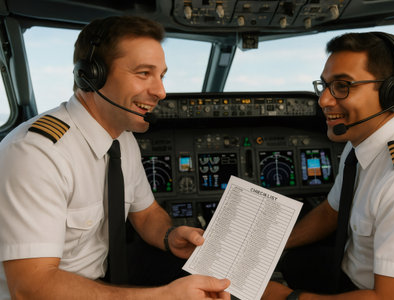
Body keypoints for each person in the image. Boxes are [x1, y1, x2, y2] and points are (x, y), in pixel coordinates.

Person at [0, 16, 230, 299]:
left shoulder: (122, 138)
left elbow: (145, 215)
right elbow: (30, 288)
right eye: (144, 73)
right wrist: (164, 297)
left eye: (161, 75)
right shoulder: (36, 154)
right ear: (92, 75)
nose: (160, 91)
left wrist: (170, 237)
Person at [262, 32, 394, 300]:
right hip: (344, 269)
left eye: (342, 86)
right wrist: (272, 244)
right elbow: (331, 212)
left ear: (392, 93)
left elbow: (393, 299)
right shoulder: (359, 140)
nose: (324, 100)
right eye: (325, 85)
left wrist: (283, 297)